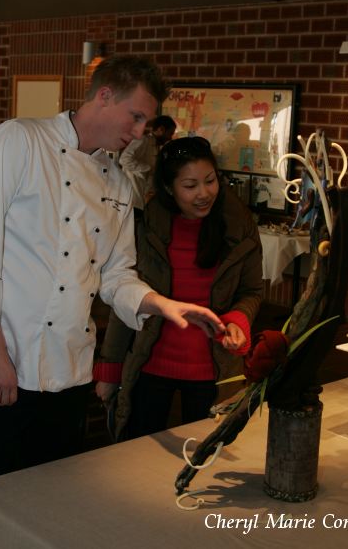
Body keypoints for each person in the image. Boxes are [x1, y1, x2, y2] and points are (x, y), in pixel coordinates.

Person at [0, 56, 225, 485]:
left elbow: (116, 275)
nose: (137, 133)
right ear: (104, 95)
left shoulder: (116, 180)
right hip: (0, 361)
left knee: (52, 500)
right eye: (135, 117)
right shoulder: (19, 141)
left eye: (146, 124)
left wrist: (163, 304)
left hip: (68, 372)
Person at [94, 136, 263, 441]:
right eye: (190, 186)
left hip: (215, 371)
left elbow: (251, 291)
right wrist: (110, 368)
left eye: (210, 181)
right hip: (150, 364)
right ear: (170, 189)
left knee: (209, 460)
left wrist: (238, 319)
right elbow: (127, 297)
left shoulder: (239, 226)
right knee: (138, 459)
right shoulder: (146, 226)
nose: (204, 194)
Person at [118, 114, 176, 211]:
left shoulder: (155, 145)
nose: (170, 138)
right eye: (170, 133)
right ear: (161, 129)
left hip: (142, 198)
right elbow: (124, 159)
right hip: (133, 199)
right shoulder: (143, 140)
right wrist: (148, 168)